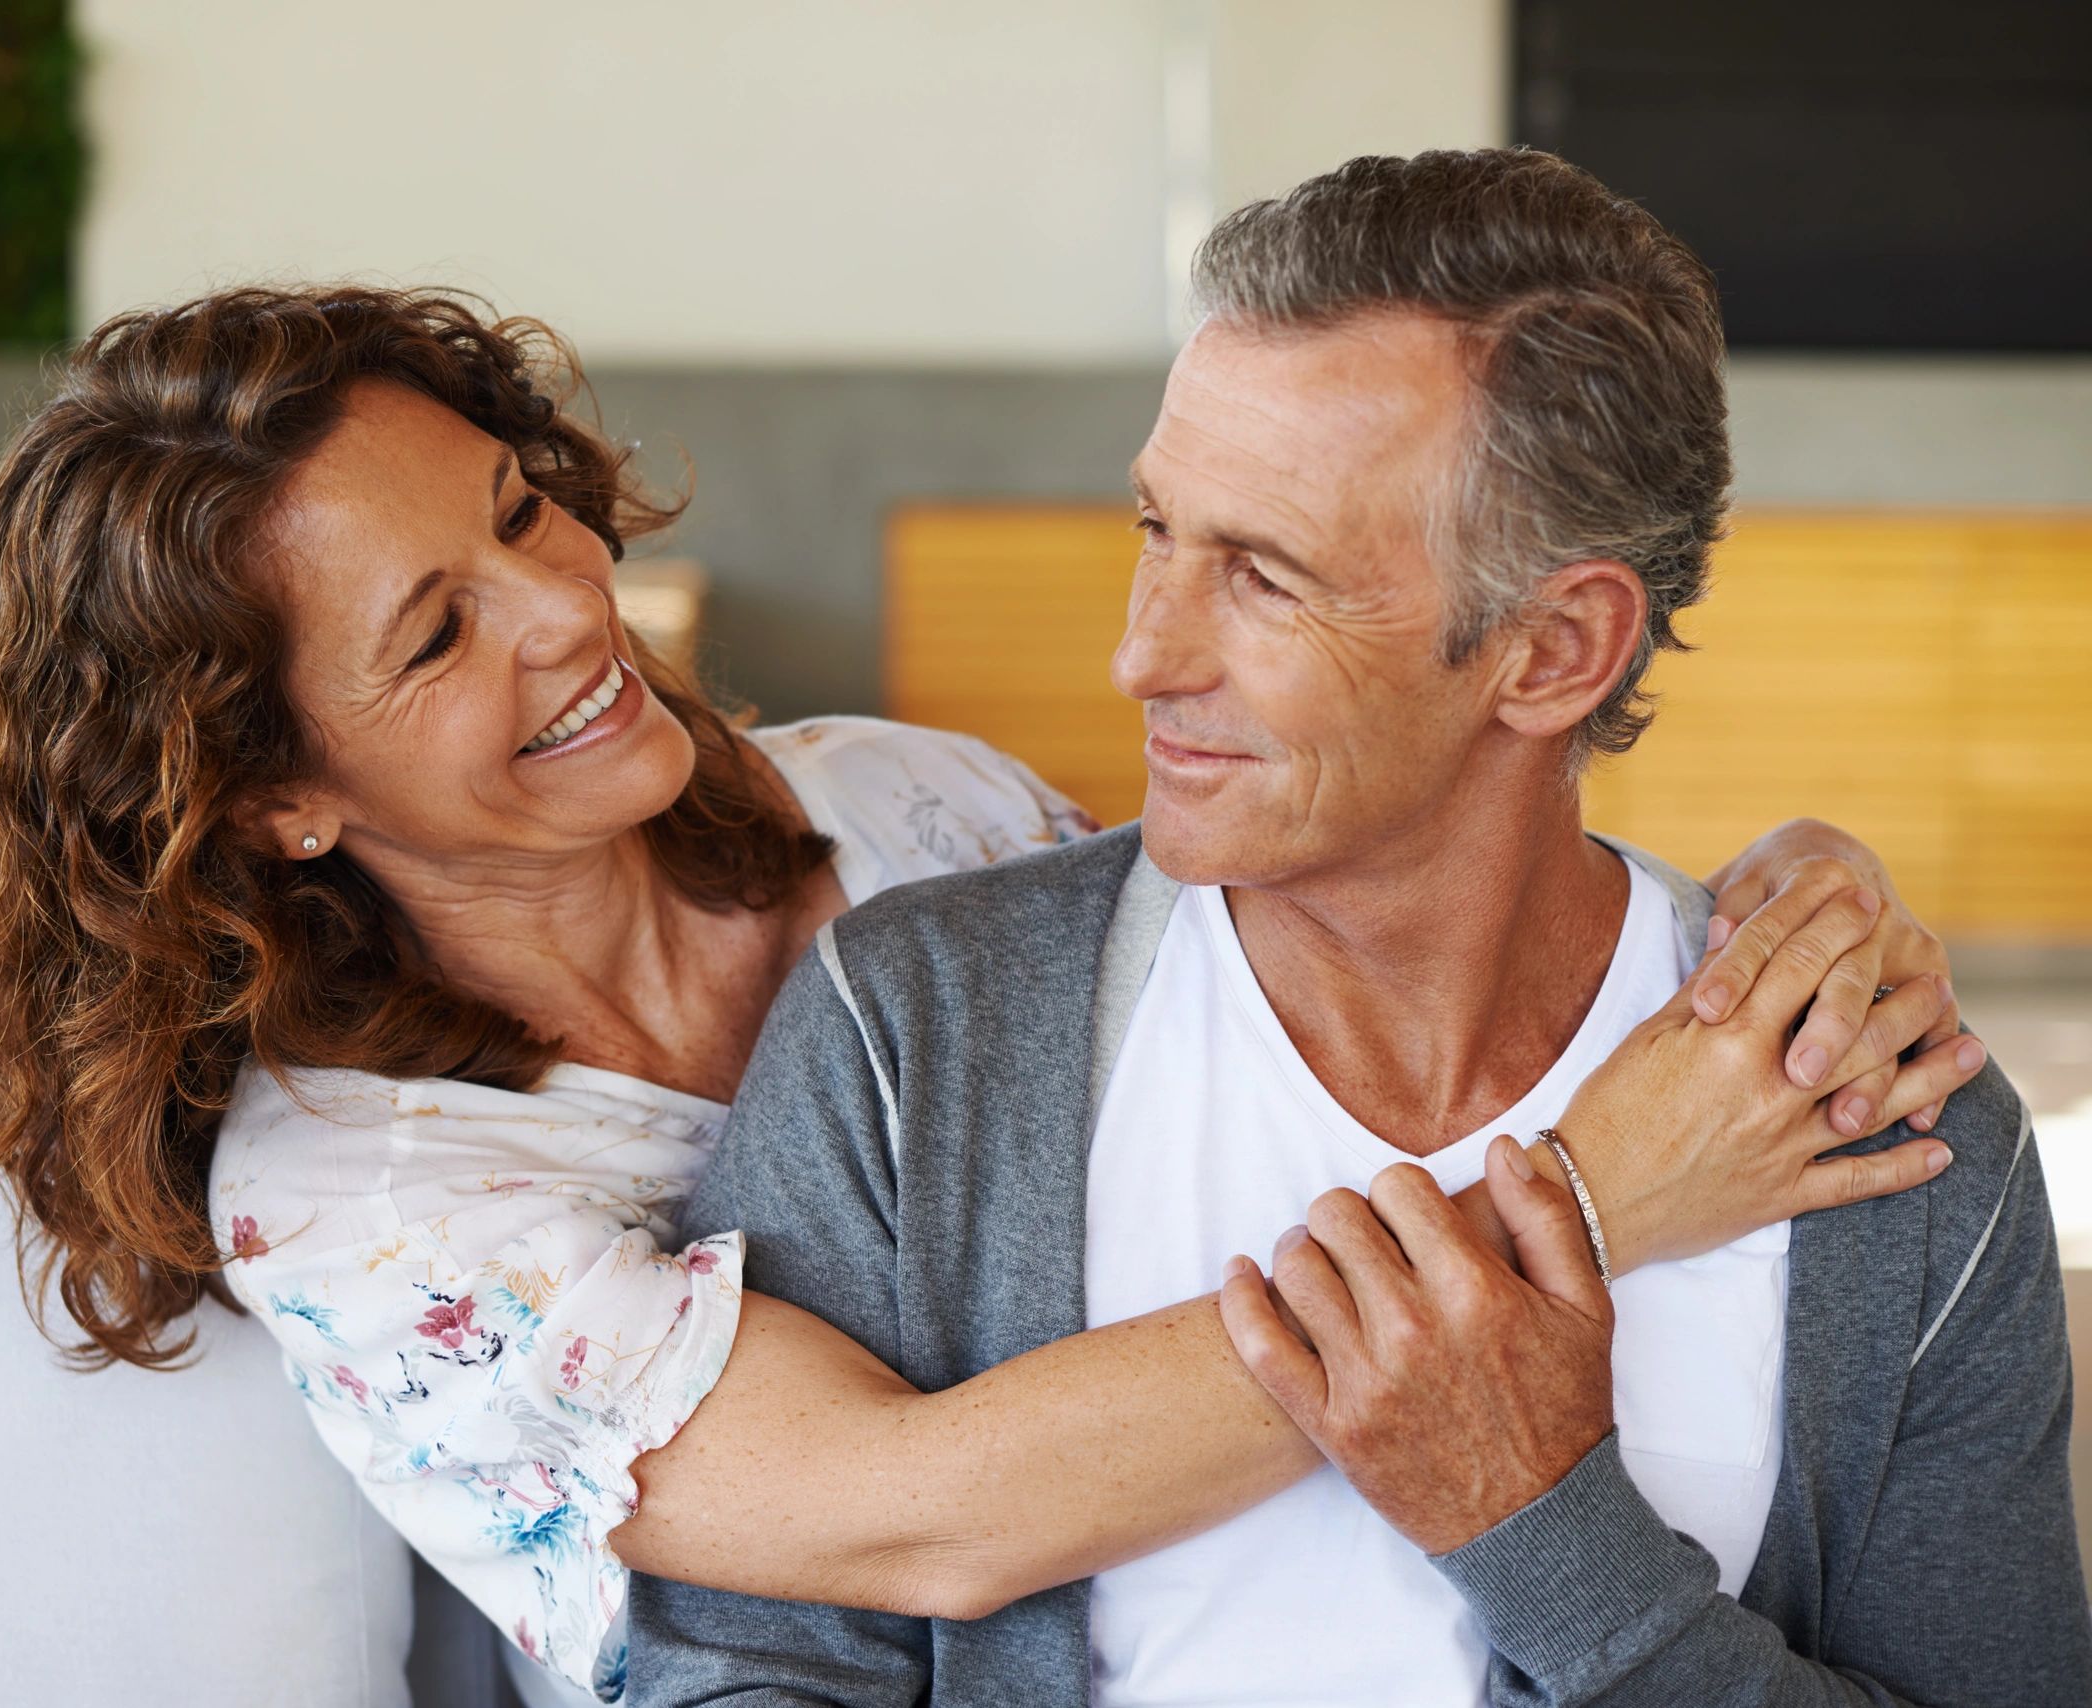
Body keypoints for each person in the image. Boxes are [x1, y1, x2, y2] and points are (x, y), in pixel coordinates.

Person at [0, 278, 1976, 1707]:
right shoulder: (375, 1209)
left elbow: (1309, 905)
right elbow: (922, 1524)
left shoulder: (895, 806)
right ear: (270, 795)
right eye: (437, 635)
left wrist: (1767, 901)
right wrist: (1593, 1185)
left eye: (522, 510)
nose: (566, 609)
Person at [628, 149, 2087, 1706]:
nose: (1142, 652)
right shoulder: (915, 1030)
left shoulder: (1882, 1128)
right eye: (1155, 530)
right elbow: (743, 1667)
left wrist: (1550, 1540)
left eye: (1264, 577)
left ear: (1553, 650)